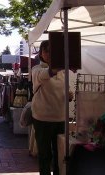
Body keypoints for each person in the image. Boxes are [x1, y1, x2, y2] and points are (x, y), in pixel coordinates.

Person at [31, 40, 73, 175]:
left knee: (59, 155)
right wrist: (62, 66)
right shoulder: (36, 70)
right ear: (41, 54)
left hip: (60, 118)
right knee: (44, 155)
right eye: (46, 51)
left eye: (52, 51)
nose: (49, 54)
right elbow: (46, 74)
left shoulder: (63, 72)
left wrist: (69, 94)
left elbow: (66, 90)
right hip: (42, 119)